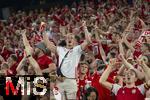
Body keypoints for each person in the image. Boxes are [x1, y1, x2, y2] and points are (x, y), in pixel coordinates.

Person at [43, 21, 91, 99]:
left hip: (71, 81)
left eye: (71, 38)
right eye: (68, 38)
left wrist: (85, 28)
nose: (69, 39)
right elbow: (47, 44)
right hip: (60, 81)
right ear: (65, 40)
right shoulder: (60, 49)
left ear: (75, 41)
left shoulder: (77, 49)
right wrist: (43, 31)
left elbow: (88, 41)